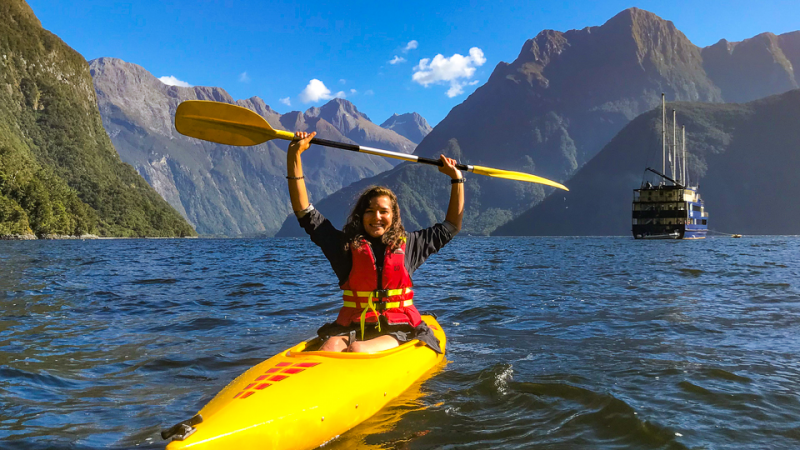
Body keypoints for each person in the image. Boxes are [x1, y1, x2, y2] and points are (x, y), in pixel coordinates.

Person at [287, 131, 464, 353]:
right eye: (369, 211)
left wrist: (456, 178)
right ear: (361, 216)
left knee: (358, 350)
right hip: (354, 326)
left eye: (383, 211)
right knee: (330, 346)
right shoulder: (344, 247)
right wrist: (294, 155)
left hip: (399, 329)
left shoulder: (411, 245)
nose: (377, 217)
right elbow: (305, 213)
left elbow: (452, 225)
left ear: (394, 215)